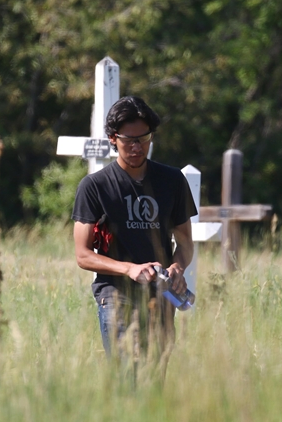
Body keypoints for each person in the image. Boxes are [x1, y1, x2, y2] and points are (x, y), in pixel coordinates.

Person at [71, 96, 196, 363]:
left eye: (144, 138)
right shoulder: (94, 186)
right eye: (129, 140)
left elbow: (185, 244)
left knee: (154, 378)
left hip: (161, 297)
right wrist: (129, 268)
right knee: (128, 376)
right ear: (112, 139)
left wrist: (176, 268)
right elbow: (82, 255)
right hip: (116, 295)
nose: (138, 147)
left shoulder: (173, 181)